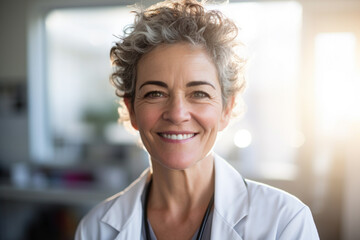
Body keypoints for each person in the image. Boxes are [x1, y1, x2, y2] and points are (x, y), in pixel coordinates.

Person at [75, 0, 319, 239]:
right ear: (132, 110)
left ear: (227, 109)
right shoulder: (95, 230)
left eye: (199, 94)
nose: (177, 113)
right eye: (155, 93)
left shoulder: (285, 223)